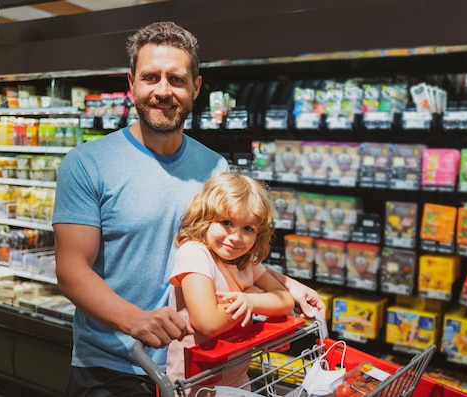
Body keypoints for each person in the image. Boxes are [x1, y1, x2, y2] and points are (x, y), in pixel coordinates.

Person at [53, 20, 325, 396]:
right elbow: (71, 270)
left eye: (177, 80)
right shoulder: (87, 164)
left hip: (199, 367)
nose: (163, 91)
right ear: (131, 84)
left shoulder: (215, 167)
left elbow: (227, 254)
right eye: (151, 78)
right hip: (113, 365)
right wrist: (136, 321)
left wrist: (285, 284)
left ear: (195, 87)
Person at [166, 172, 294, 396]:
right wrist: (254, 295)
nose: (236, 237)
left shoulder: (244, 260)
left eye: (248, 229)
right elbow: (208, 323)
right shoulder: (195, 254)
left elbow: (285, 301)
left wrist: (251, 299)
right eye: (227, 223)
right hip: (196, 382)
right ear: (204, 219)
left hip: (237, 375)